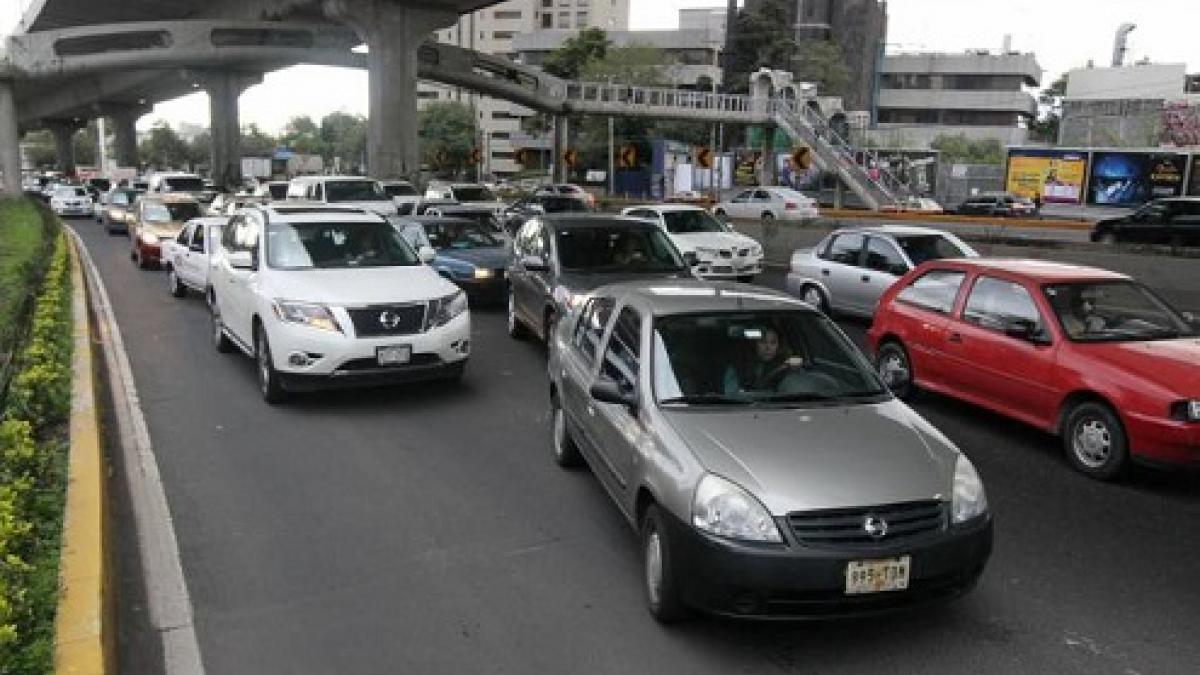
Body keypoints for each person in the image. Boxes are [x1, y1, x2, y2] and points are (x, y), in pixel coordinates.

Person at [722, 327, 802, 395]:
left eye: (773, 343)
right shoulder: (737, 367)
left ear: (778, 345)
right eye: (763, 342)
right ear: (754, 344)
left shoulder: (786, 366)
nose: (768, 348)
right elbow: (732, 395)